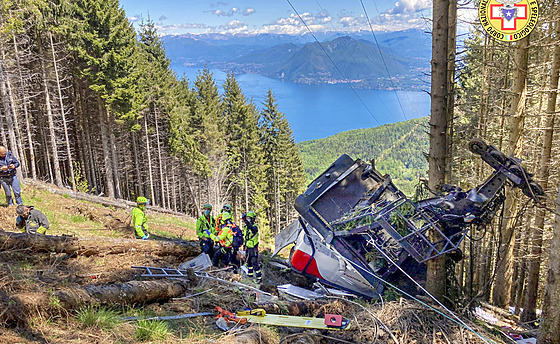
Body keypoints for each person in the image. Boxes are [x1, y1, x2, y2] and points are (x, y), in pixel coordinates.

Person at [242, 211, 261, 282]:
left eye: (249, 218)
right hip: (247, 246)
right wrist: (244, 245)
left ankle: (259, 278)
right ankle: (250, 275)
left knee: (254, 262)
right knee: (249, 262)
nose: (248, 219)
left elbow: (252, 229)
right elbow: (245, 237)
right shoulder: (245, 227)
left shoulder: (254, 227)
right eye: (247, 218)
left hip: (253, 247)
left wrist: (245, 221)